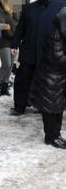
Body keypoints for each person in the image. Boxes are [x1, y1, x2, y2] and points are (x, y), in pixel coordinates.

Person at [11, 0, 66, 115]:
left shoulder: (63, 6)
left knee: (46, 82)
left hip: (51, 53)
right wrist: (14, 44)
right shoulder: (30, 8)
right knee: (23, 79)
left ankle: (42, 106)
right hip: (30, 51)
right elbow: (21, 28)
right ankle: (20, 105)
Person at [29, 8, 66, 148]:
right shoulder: (56, 35)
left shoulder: (61, 34)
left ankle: (56, 134)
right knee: (50, 109)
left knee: (58, 108)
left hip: (59, 78)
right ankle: (51, 136)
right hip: (50, 78)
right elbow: (56, 57)